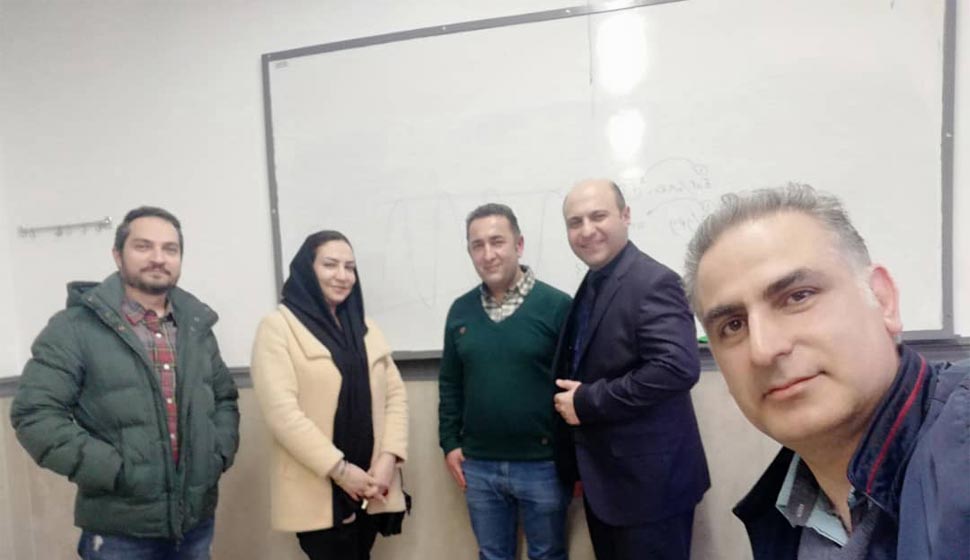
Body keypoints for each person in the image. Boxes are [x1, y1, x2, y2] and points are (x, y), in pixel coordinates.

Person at [683, 183, 970, 559]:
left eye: (798, 296)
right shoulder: (784, 513)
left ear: (882, 299)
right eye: (733, 325)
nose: (764, 349)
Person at [10, 206, 240, 560]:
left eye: (170, 249)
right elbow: (34, 414)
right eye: (143, 246)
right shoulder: (74, 328)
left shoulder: (195, 326)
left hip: (194, 523)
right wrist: (114, 471)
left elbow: (224, 398)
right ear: (118, 255)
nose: (158, 258)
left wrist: (216, 455)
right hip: (119, 531)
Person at [553, 179, 710, 560]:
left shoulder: (653, 281)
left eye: (598, 216)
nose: (587, 230)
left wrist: (588, 401)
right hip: (608, 485)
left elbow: (676, 368)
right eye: (575, 222)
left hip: (650, 490)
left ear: (625, 216)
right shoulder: (593, 282)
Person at [250, 230, 408, 560]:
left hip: (372, 485)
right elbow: (283, 414)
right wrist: (341, 471)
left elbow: (395, 396)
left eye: (349, 267)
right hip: (321, 488)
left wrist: (388, 460)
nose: (342, 275)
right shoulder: (278, 328)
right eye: (330, 265)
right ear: (308, 270)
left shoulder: (365, 327)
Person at [438, 203, 572, 560]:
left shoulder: (557, 306)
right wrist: (449, 442)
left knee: (548, 555)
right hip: (478, 465)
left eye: (497, 241)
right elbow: (450, 383)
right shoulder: (460, 311)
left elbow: (575, 385)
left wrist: (574, 460)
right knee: (492, 555)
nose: (488, 254)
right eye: (477, 245)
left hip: (544, 465)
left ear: (519, 244)